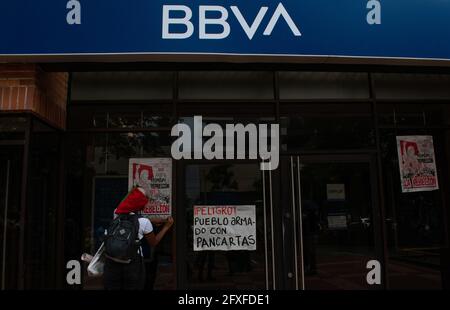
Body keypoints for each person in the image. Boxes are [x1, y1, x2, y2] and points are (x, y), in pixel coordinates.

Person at [103, 186, 174, 290]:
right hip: (132, 265)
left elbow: (128, 213)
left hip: (112, 262)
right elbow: (153, 243)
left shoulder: (116, 213)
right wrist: (166, 227)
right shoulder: (144, 222)